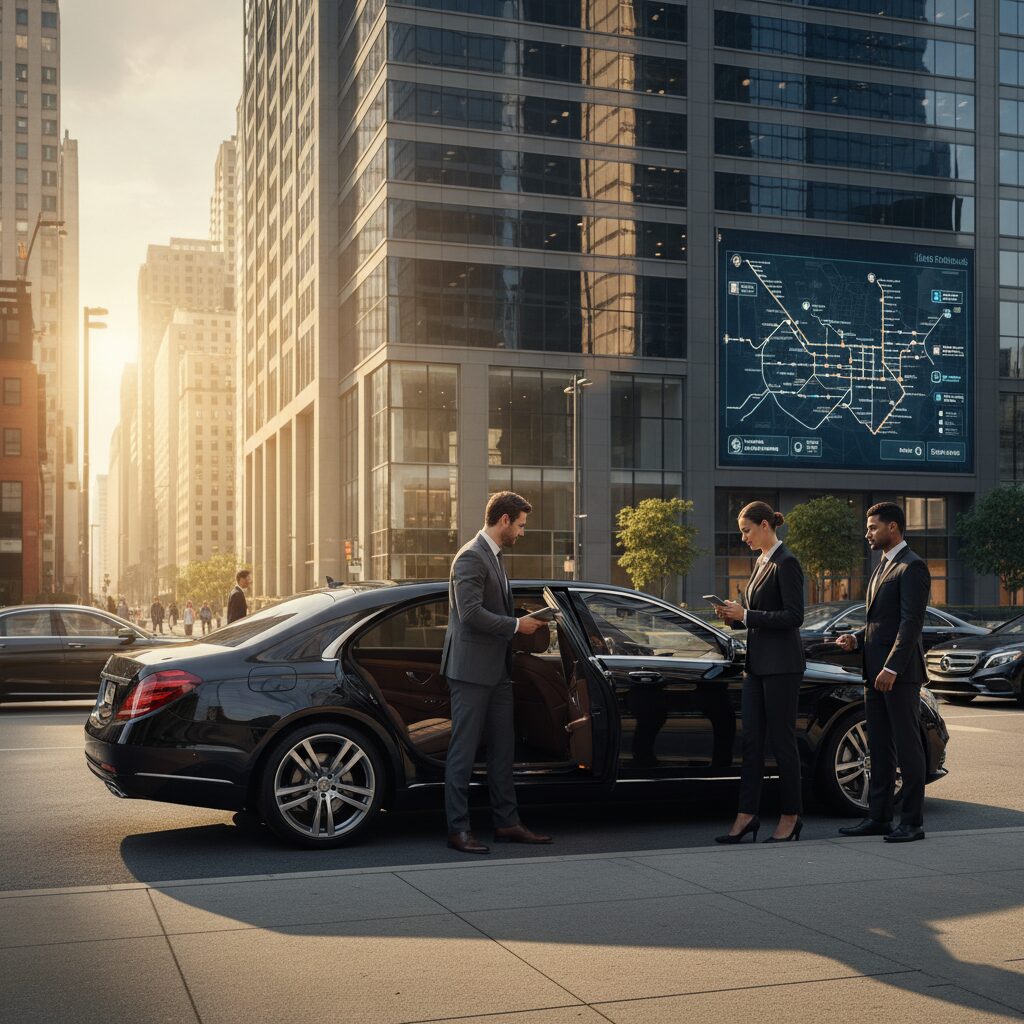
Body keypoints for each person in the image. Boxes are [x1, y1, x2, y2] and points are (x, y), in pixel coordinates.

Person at [441, 490, 552, 855]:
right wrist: (517, 625)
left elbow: (492, 608)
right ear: (504, 520)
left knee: (503, 752)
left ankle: (507, 823)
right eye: (520, 525)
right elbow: (471, 614)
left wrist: (524, 619)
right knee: (463, 753)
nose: (522, 532)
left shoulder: (494, 556)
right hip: (471, 673)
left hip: (498, 673)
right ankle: (458, 830)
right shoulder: (471, 557)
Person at [835, 501, 931, 843]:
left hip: (898, 674)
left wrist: (892, 666)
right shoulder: (881, 567)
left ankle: (913, 823)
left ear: (893, 527)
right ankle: (879, 818)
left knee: (908, 748)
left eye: (873, 527)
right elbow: (881, 622)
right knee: (879, 747)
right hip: (873, 672)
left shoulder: (912, 566)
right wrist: (857, 638)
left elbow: (910, 624)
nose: (868, 534)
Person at [714, 500, 806, 844]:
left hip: (782, 667)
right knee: (751, 742)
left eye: (747, 530)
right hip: (756, 666)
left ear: (765, 525)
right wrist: (736, 616)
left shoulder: (787, 562)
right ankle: (747, 815)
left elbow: (794, 616)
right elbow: (757, 616)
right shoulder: (761, 561)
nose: (744, 537)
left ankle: (791, 816)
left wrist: (747, 615)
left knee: (782, 742)